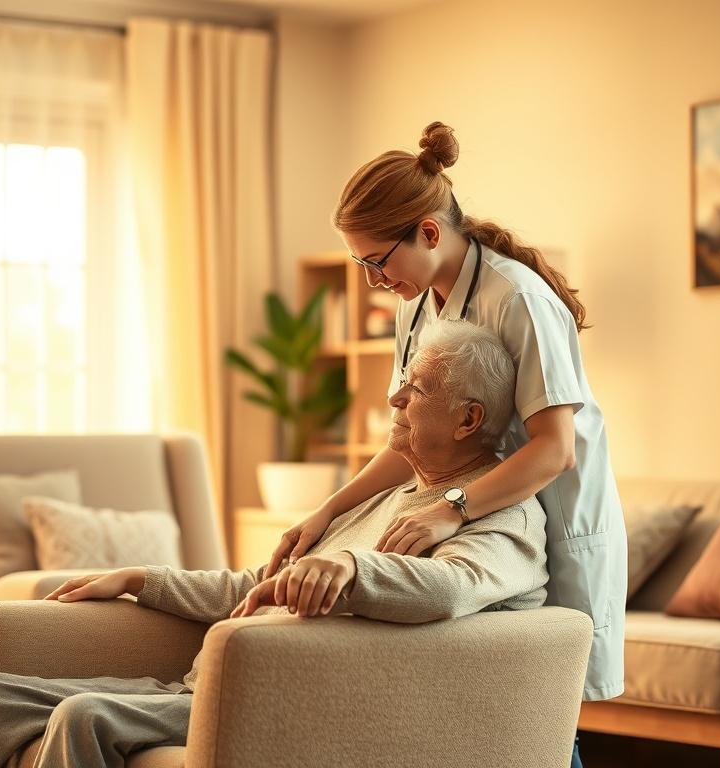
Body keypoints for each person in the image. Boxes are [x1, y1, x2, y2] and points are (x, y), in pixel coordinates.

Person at [0, 319, 552, 768]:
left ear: (469, 418)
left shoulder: (503, 518)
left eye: (419, 390)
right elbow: (256, 584)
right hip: (200, 683)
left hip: (278, 696)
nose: (394, 396)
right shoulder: (389, 494)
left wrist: (352, 567)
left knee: (84, 716)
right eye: (402, 381)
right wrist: (140, 578)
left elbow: (453, 587)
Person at [263, 121, 626, 768]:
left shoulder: (517, 299)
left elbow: (553, 451)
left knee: (539, 713)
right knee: (470, 707)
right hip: (469, 515)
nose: (374, 280)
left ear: (429, 232)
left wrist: (448, 508)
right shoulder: (415, 307)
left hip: (543, 521)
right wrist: (327, 512)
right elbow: (406, 439)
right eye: (361, 265)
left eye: (378, 261)